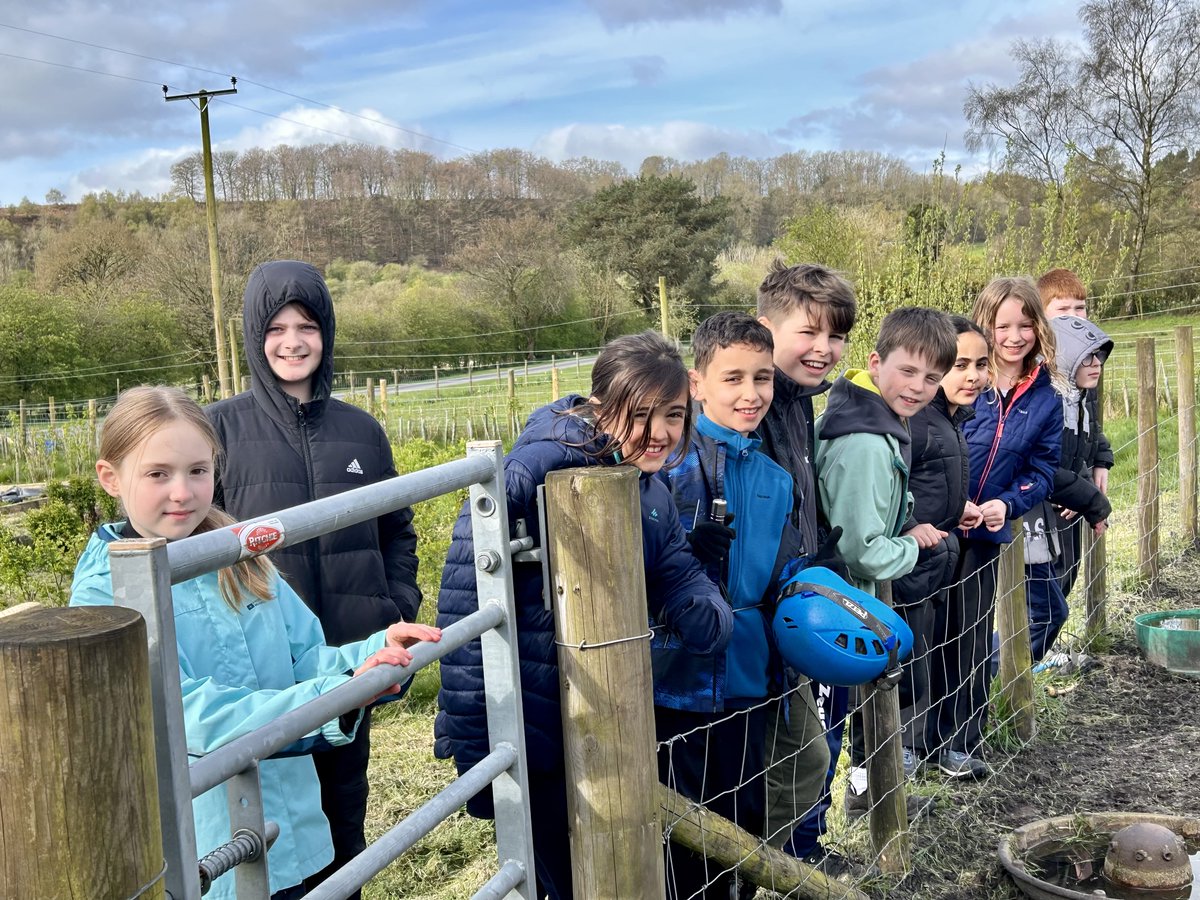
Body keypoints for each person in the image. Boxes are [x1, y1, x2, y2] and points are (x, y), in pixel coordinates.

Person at [69, 386, 440, 900]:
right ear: (111, 477)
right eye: (158, 474)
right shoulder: (106, 596)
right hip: (204, 849)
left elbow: (306, 655)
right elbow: (188, 714)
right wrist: (333, 696)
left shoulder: (236, 555)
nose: (183, 492)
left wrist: (371, 655)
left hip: (290, 826)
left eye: (198, 471)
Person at [435, 331, 733, 900]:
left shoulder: (648, 486)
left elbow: (677, 568)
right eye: (640, 412)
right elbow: (465, 600)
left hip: (603, 713)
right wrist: (479, 741)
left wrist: (708, 608)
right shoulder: (534, 470)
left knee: (607, 868)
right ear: (601, 405)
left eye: (673, 414)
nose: (662, 432)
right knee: (567, 877)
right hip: (534, 721)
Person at [206, 260, 422, 897]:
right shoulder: (220, 431)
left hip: (354, 666)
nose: (293, 341)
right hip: (266, 675)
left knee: (344, 818)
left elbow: (397, 530)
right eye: (276, 328)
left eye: (307, 325)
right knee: (268, 826)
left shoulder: (362, 431)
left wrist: (394, 604)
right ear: (254, 335)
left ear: (326, 332)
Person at [659, 312, 794, 898]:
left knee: (740, 819)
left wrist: (810, 577)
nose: (750, 393)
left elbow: (776, 573)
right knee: (682, 828)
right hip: (676, 676)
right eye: (733, 377)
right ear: (697, 383)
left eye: (761, 378)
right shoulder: (666, 465)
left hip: (747, 674)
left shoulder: (774, 477)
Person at [814, 307, 958, 812]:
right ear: (875, 362)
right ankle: (809, 845)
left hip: (840, 604)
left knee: (840, 726)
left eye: (932, 378)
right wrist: (912, 545)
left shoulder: (874, 418)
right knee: (823, 739)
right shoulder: (867, 443)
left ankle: (871, 800)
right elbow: (862, 550)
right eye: (908, 370)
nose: (919, 387)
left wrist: (905, 522)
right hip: (841, 608)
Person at [927, 277, 1062, 780]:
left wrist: (1010, 503)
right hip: (937, 529)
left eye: (1025, 324)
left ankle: (960, 741)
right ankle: (915, 742)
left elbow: (1044, 470)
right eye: (1002, 324)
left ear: (1038, 327)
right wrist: (948, 502)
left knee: (970, 636)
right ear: (983, 324)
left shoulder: (1046, 397)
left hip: (986, 534)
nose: (1014, 335)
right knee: (927, 636)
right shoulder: (955, 379)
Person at [754, 261, 854, 872]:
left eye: (835, 336)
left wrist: (825, 568)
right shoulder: (755, 403)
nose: (823, 349)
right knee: (781, 758)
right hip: (756, 617)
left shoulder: (799, 402)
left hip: (793, 605)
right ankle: (758, 867)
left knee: (805, 755)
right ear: (765, 328)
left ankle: (777, 862)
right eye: (808, 333)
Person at [905, 317, 989, 781]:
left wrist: (959, 509)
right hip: (911, 560)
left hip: (941, 553)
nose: (971, 376)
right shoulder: (916, 421)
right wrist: (914, 525)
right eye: (959, 365)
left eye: (980, 364)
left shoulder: (952, 420)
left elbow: (933, 484)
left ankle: (935, 746)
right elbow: (896, 490)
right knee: (908, 657)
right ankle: (896, 755)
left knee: (937, 650)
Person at [1021, 315, 1113, 662]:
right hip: (1034, 517)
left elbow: (1088, 442)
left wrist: (1098, 465)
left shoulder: (1080, 397)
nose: (1096, 364)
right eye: (1088, 356)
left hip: (1062, 510)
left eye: (1100, 356)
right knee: (1045, 612)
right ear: (1064, 355)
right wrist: (1089, 498)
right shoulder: (1048, 400)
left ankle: (1014, 675)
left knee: (1056, 597)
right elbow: (1047, 466)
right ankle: (997, 675)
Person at [1036, 268, 1113, 596]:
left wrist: (1101, 459)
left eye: (1079, 308)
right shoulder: (1042, 375)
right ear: (1041, 316)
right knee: (1045, 594)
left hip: (1074, 490)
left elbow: (1088, 425)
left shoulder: (1085, 365)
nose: (1073, 316)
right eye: (1062, 309)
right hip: (1048, 499)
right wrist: (1077, 492)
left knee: (1067, 577)